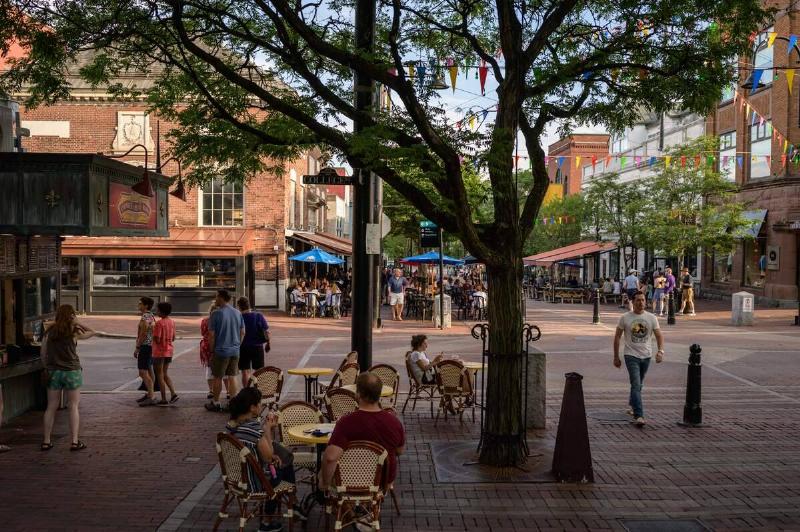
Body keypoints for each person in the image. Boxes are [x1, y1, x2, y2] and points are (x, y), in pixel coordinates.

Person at [226, 387, 306, 530]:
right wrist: (268, 428)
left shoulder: (231, 426)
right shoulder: (254, 429)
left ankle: (293, 505)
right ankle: (273, 517)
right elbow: (269, 457)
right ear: (252, 407)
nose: (261, 406)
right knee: (283, 465)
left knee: (284, 460)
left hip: (237, 479)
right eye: (259, 404)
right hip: (255, 482)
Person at [321, 373, 405, 492]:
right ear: (379, 393)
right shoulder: (394, 422)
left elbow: (330, 457)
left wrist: (325, 483)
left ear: (358, 394)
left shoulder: (346, 422)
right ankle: (361, 508)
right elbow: (399, 451)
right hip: (382, 482)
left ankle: (346, 507)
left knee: (323, 471)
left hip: (348, 481)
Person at [41, 304, 97, 451]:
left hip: (54, 372)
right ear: (71, 315)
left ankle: (46, 441)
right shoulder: (74, 331)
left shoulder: (49, 332)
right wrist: (77, 322)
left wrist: (47, 367)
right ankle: (74, 441)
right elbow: (92, 332)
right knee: (73, 406)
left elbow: (43, 353)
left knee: (51, 406)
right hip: (72, 371)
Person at [613, 291, 664, 427]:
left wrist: (660, 351)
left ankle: (632, 404)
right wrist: (616, 357)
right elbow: (617, 337)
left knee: (638, 384)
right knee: (636, 384)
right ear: (633, 302)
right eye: (638, 300)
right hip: (631, 355)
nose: (641, 303)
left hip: (646, 356)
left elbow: (659, 336)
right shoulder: (625, 317)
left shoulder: (652, 318)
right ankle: (639, 415)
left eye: (642, 300)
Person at [206, 289, 245, 412]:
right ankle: (232, 403)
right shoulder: (237, 313)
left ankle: (216, 402)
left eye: (217, 297)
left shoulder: (216, 314)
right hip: (235, 350)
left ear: (222, 298)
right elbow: (243, 332)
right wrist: (238, 344)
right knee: (232, 376)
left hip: (221, 350)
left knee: (218, 377)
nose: (215, 299)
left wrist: (212, 349)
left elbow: (211, 335)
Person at [237, 296, 269, 389]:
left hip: (243, 347)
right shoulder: (258, 316)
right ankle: (258, 391)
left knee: (245, 372)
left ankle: (247, 391)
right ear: (249, 305)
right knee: (259, 371)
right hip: (257, 347)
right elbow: (267, 331)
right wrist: (268, 343)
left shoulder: (239, 317)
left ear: (239, 306)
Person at [152, 302, 178, 405]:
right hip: (169, 350)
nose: (156, 311)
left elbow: (157, 339)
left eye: (158, 310)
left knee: (159, 375)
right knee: (165, 373)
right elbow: (173, 337)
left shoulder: (159, 323)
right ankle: (173, 393)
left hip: (159, 351)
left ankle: (163, 398)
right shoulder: (172, 322)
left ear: (161, 311)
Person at [135, 297, 158, 406]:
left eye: (140, 304)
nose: (138, 305)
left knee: (142, 372)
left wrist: (137, 347)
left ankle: (151, 396)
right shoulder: (151, 316)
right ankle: (150, 393)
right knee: (149, 370)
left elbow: (143, 333)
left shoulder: (145, 317)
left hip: (145, 346)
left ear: (146, 306)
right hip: (151, 346)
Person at [200, 303, 218, 399]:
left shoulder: (205, 321)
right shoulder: (221, 321)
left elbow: (203, 332)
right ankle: (228, 391)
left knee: (209, 368)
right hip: (219, 345)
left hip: (207, 346)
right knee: (224, 371)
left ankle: (211, 390)